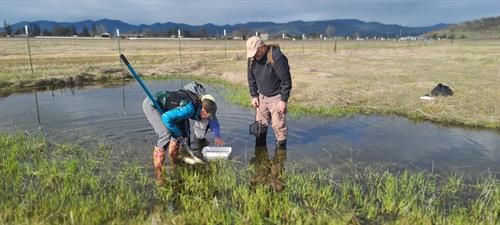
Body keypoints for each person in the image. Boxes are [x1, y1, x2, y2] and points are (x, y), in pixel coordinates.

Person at [142, 82, 225, 170]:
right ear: (204, 111)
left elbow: (211, 121)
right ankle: (158, 172)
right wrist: (177, 133)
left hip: (171, 110)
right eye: (207, 117)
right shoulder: (189, 109)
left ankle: (173, 163)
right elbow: (166, 117)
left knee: (180, 135)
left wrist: (217, 135)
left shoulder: (202, 104)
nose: (207, 119)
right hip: (153, 104)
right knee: (165, 134)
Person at [246, 36, 292, 147]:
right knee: (260, 126)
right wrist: (253, 95)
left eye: (255, 52)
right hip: (261, 97)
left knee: (278, 126)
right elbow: (251, 78)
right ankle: (260, 155)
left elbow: (286, 81)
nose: (254, 56)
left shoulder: (277, 57)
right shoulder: (252, 59)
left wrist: (283, 100)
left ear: (262, 47)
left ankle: (280, 157)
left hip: (277, 97)